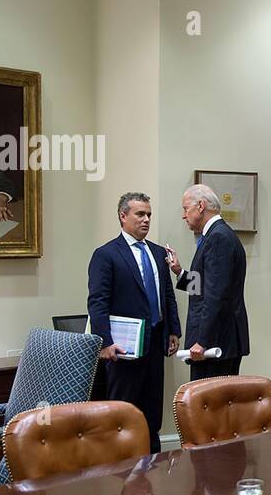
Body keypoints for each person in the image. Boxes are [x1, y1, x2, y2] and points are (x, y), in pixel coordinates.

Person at [87, 192, 181, 453]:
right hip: (123, 348)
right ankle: (120, 468)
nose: (146, 219)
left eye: (149, 214)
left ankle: (153, 464)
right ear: (123, 216)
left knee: (152, 411)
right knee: (123, 411)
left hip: (155, 341)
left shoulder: (158, 252)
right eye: (140, 214)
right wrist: (105, 343)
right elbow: (97, 302)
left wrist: (174, 329)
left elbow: (168, 295)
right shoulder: (106, 254)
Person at [167, 184, 249, 380]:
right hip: (218, 340)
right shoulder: (215, 235)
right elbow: (204, 288)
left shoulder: (218, 238)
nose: (183, 215)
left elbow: (216, 296)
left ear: (201, 206)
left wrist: (203, 341)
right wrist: (179, 272)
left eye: (186, 208)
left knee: (210, 407)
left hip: (215, 344)